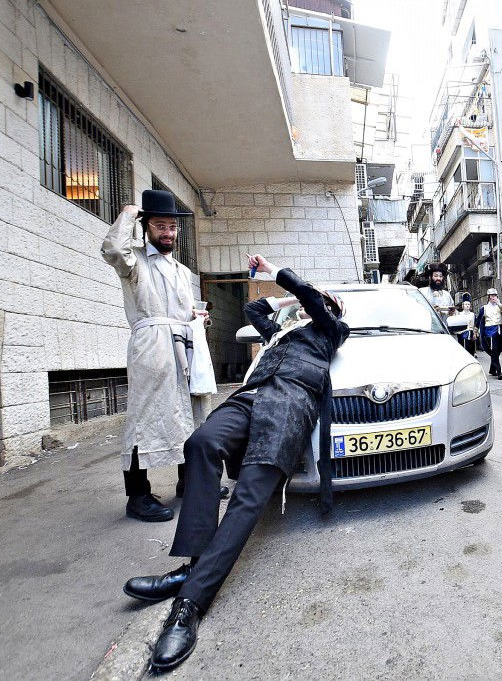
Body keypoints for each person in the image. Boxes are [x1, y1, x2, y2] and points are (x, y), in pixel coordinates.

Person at [121, 254, 348, 671]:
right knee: (201, 445)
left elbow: (314, 304)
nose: (313, 306)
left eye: (321, 303)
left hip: (290, 406)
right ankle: (193, 565)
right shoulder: (282, 331)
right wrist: (285, 302)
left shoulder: (333, 331)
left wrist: (295, 284)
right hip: (250, 398)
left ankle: (189, 603)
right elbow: (253, 309)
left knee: (248, 497)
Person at [101, 190, 222, 523]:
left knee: (193, 412)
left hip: (184, 344)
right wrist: (128, 213)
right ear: (146, 227)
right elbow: (112, 249)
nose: (167, 232)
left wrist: (197, 320)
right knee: (146, 415)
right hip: (152, 345)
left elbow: (184, 312)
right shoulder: (134, 261)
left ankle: (190, 481)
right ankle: (137, 496)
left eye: (171, 226)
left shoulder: (182, 271)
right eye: (159, 226)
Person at [476, 288, 502, 380]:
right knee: (494, 350)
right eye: (492, 295)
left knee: (497, 351)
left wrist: (499, 303)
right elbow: (478, 321)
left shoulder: (500, 306)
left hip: (500, 331)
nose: (493, 297)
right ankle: (499, 372)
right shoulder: (484, 308)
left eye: (495, 295)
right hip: (489, 332)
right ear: (489, 297)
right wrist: (475, 332)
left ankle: (492, 369)